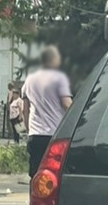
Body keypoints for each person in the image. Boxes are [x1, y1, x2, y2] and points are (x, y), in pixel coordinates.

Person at [22, 46, 73, 177]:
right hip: (55, 134)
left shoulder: (29, 80)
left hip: (35, 134)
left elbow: (25, 108)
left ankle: (33, 197)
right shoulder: (59, 79)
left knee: (35, 173)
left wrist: (28, 129)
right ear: (54, 60)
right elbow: (66, 103)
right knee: (54, 174)